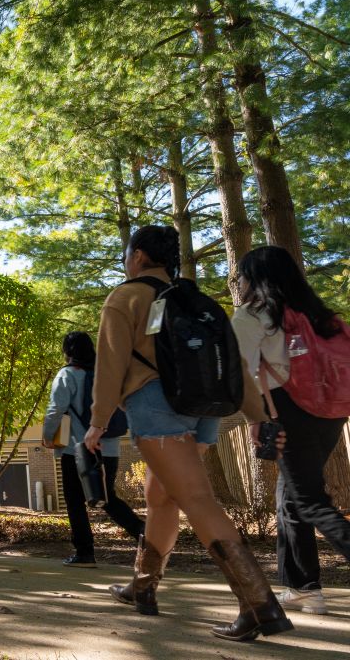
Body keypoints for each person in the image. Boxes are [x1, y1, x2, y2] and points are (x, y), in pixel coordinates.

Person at [85, 224, 292, 641]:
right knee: (160, 497)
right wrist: (256, 416)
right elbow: (232, 366)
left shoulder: (126, 296)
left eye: (127, 253)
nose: (126, 260)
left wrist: (98, 420)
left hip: (157, 408)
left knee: (196, 499)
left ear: (140, 255)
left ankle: (259, 605)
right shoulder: (196, 300)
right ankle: (142, 587)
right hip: (204, 410)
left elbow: (110, 364)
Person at [233, 245, 350, 616]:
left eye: (241, 276)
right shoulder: (321, 316)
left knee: (310, 500)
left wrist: (254, 419)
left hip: (287, 409)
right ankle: (304, 588)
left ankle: (304, 586)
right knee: (289, 497)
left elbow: (241, 373)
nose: (240, 283)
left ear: (254, 279)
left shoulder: (254, 315)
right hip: (332, 412)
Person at [41, 332, 145, 567]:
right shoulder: (106, 374)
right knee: (107, 497)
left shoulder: (67, 374)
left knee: (75, 500)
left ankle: (85, 552)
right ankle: (143, 532)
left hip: (76, 450)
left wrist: (48, 437)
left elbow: (55, 410)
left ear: (67, 352)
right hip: (109, 447)